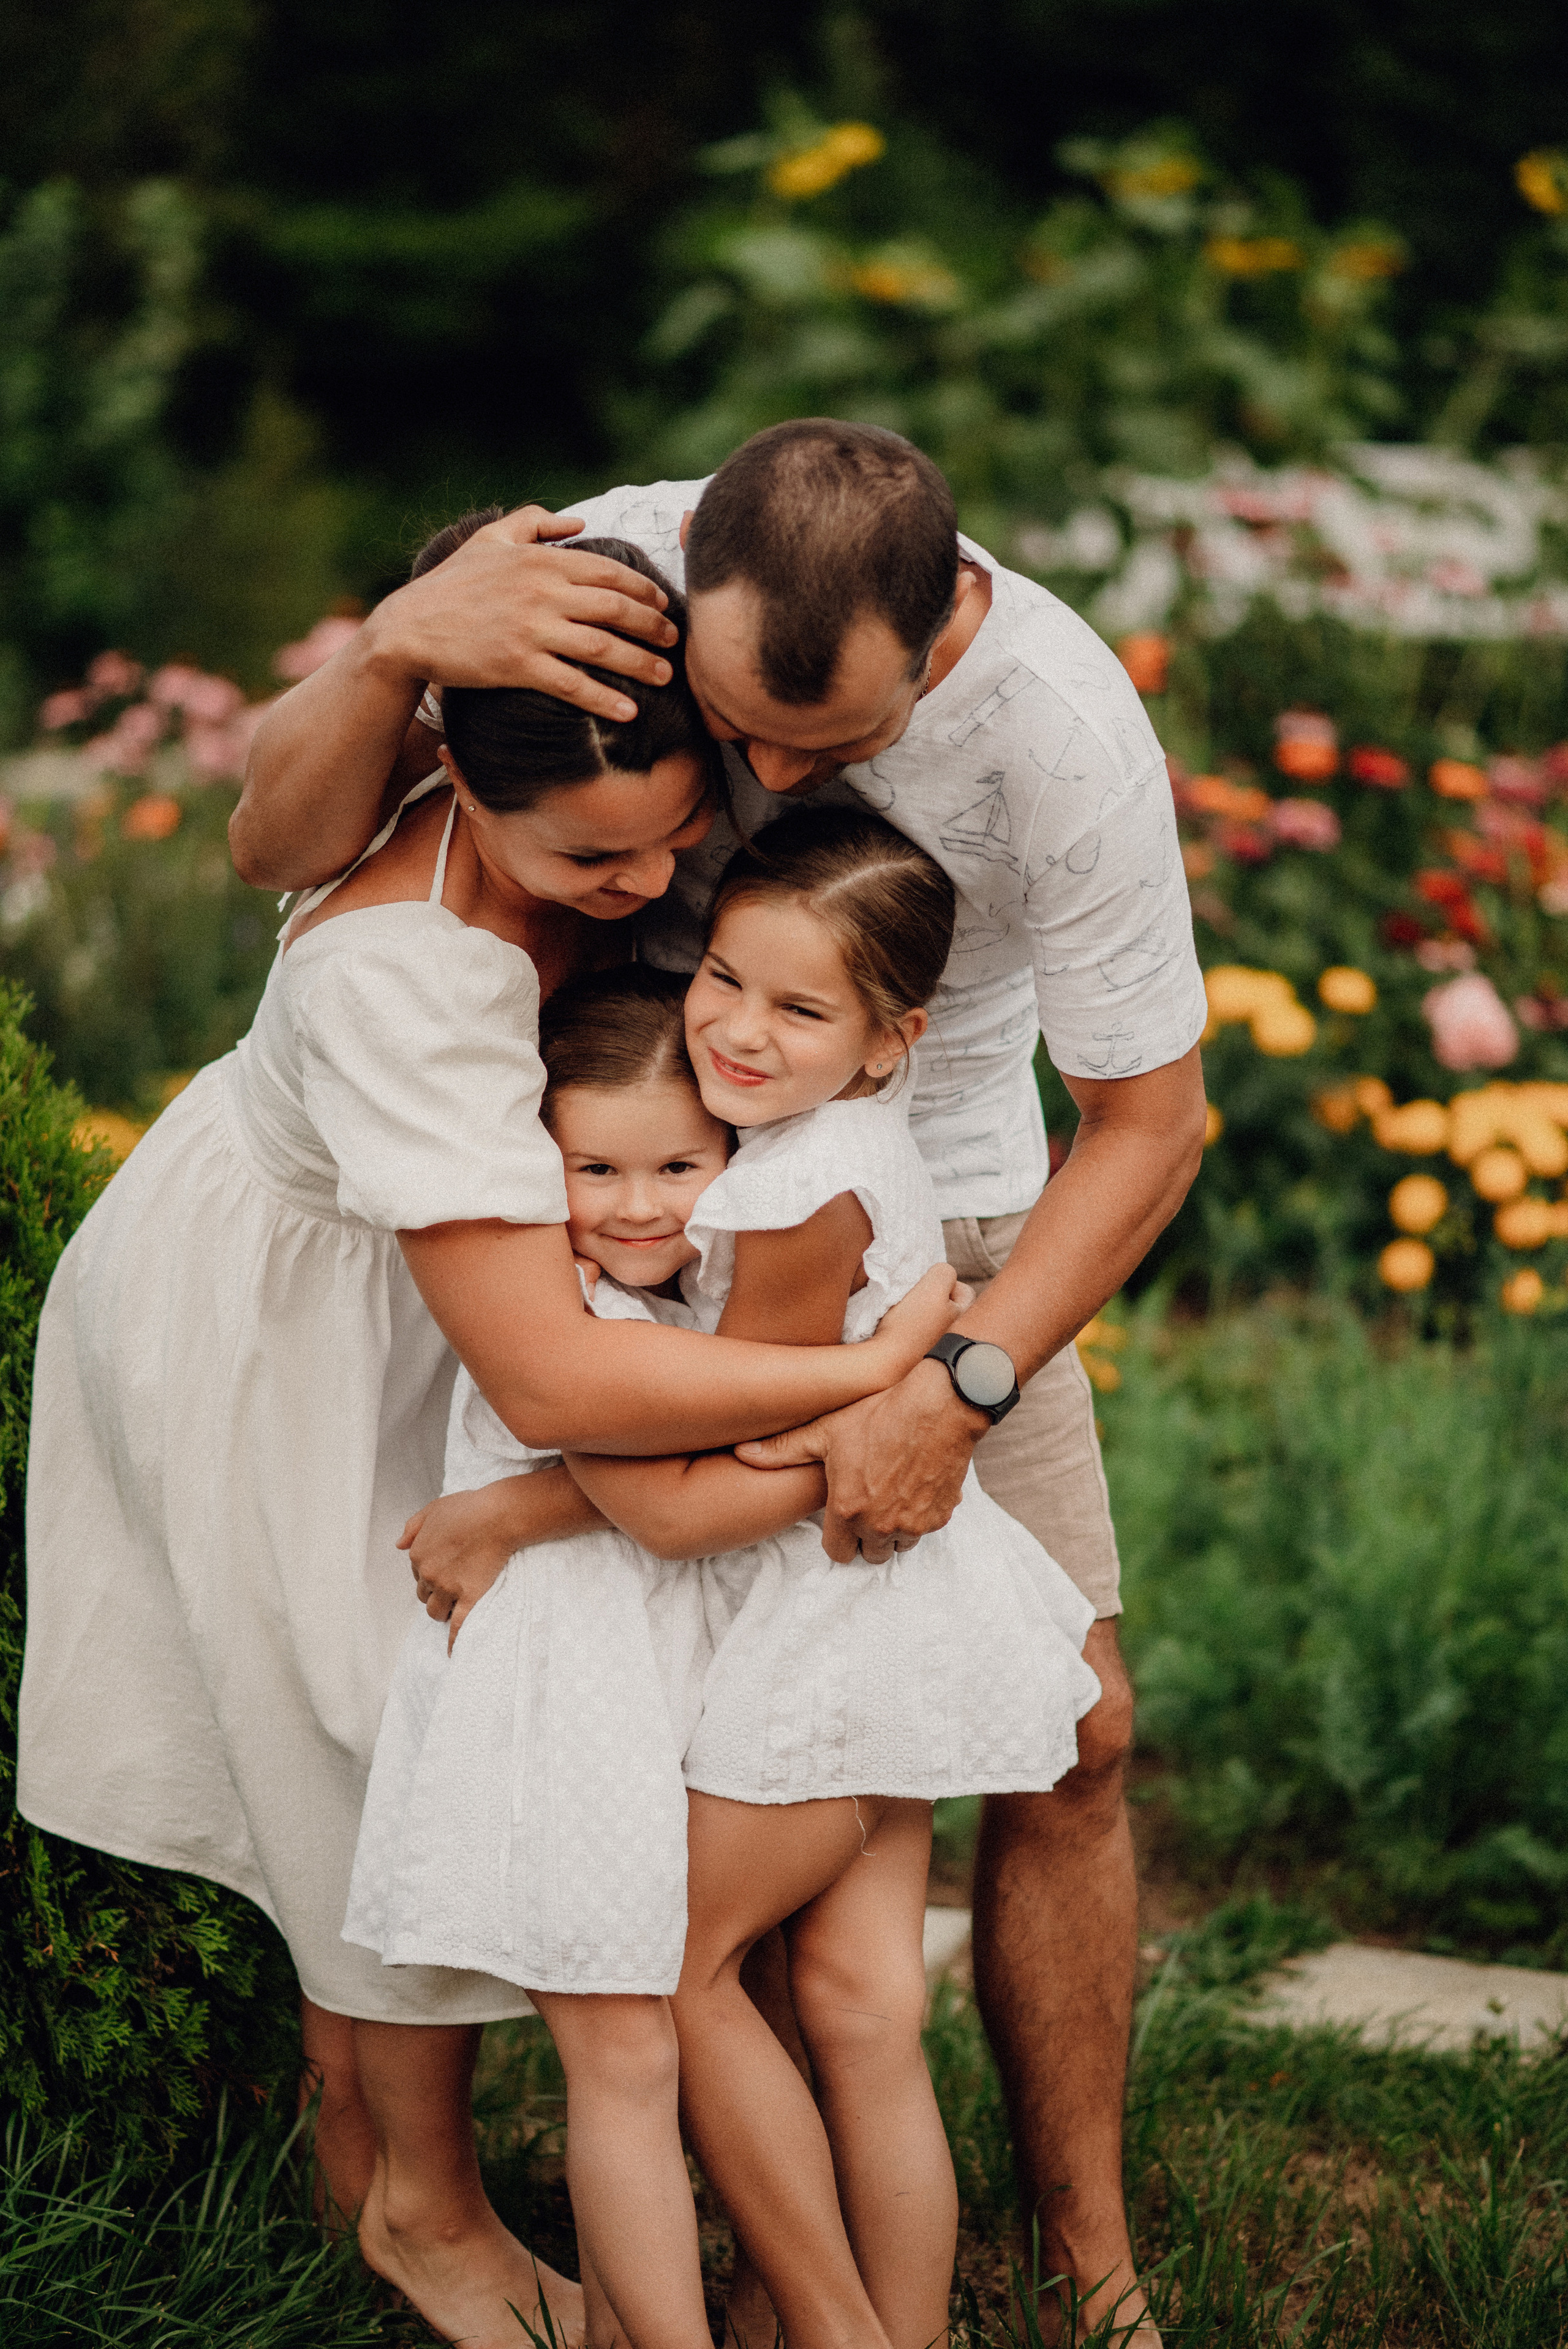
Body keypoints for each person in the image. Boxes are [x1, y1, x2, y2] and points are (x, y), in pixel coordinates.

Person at [235, 421, 1210, 2345]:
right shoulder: (599, 572)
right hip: (634, 1220)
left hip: (951, 1238)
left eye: (814, 751)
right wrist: (390, 647)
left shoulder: (1066, 743)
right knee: (730, 1759)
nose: (756, 787)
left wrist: (965, 1377)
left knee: (1076, 1731)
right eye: (732, 727)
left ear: (936, 645)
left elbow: (1154, 1124)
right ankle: (797, 2275)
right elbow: (279, 848)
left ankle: (1088, 2259)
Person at [19, 537, 959, 2349]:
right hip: (285, 1315)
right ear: (457, 776)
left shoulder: (586, 699)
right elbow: (558, 1393)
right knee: (374, 1715)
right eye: (590, 864)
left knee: (417, 1703)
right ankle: (420, 2207)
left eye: (676, 836)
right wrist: (890, 1372)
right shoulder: (401, 972)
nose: (648, 888)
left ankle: (360, 2145)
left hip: (473, 1282)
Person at [352, 811, 1101, 2349]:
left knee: (683, 1972)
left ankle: (838, 2335)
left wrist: (521, 1507)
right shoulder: (815, 1148)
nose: (742, 1031)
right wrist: (890, 1360)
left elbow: (739, 1454)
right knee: (861, 2011)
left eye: (800, 1008)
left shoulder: (778, 1190)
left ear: (890, 1044)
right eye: (727, 982)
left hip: (826, 1615)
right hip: (898, 1596)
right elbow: (796, 1417)